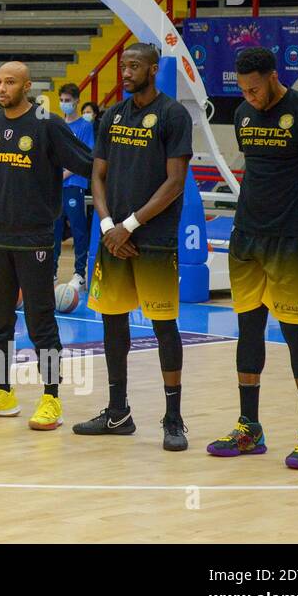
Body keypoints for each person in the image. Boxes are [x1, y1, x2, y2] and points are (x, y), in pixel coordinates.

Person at [207, 47, 298, 470]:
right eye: (244, 90)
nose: (249, 96)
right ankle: (250, 427)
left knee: (295, 332)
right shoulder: (245, 115)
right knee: (248, 329)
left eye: (255, 88)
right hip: (247, 238)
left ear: (273, 77)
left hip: (292, 239)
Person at [0, 62, 94, 430]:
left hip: (36, 238)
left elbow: (86, 163)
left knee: (40, 322)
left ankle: (51, 399)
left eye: (10, 82)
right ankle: (3, 392)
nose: (2, 88)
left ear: (27, 86)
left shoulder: (47, 123)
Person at [75, 43, 193, 450]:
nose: (125, 72)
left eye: (134, 66)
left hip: (153, 241)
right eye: (122, 65)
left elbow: (175, 183)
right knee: (112, 323)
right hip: (114, 238)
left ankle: (173, 418)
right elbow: (98, 175)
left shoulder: (173, 115)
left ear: (153, 69)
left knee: (164, 327)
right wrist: (108, 225)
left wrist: (129, 225)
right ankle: (117, 412)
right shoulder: (111, 115)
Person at [53, 82, 95, 291]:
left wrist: (63, 175)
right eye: (61, 101)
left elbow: (86, 157)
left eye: (67, 101)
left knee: (78, 228)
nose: (64, 104)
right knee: (54, 229)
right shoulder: (58, 125)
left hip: (74, 184)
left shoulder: (85, 127)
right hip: (56, 186)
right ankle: (51, 271)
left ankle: (79, 273)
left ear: (77, 101)